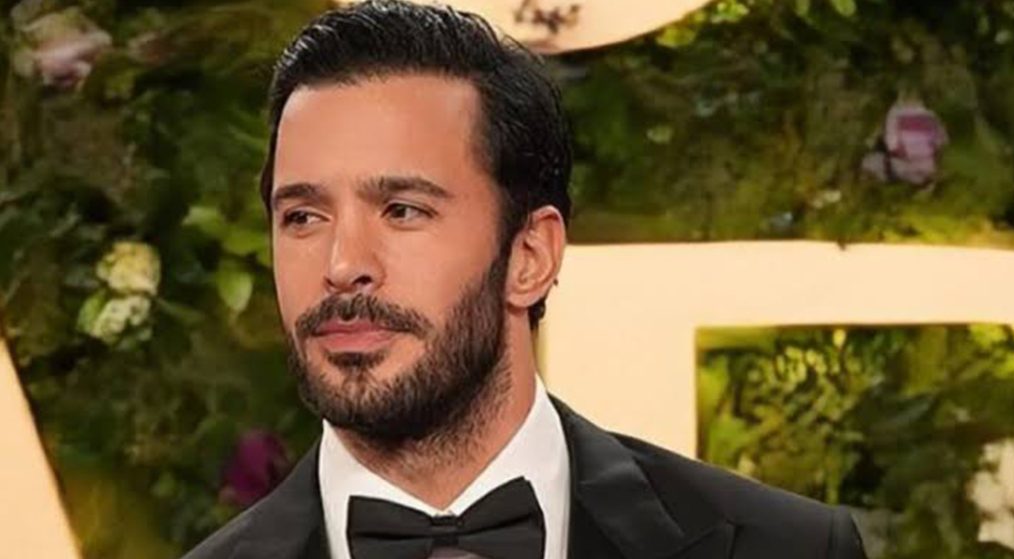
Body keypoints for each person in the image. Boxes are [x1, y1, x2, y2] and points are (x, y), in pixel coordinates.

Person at [184, 1, 866, 558]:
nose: (340, 264)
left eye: (402, 210)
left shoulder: (789, 548)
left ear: (530, 256)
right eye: (303, 217)